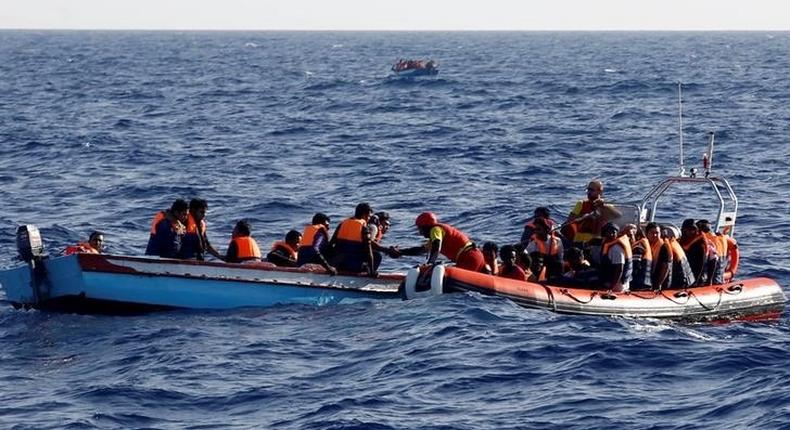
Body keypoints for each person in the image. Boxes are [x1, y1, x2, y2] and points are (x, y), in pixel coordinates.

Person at [399, 212, 486, 272]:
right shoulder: (436, 235)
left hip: (470, 258)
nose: (420, 232)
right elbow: (421, 250)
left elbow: (437, 246)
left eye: (420, 228)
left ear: (426, 227)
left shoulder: (435, 229)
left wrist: (430, 263)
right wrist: (401, 252)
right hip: (473, 257)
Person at [330, 203, 381, 276]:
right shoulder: (364, 228)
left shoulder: (342, 224)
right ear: (364, 215)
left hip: (337, 263)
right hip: (351, 265)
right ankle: (368, 274)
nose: (369, 219)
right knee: (377, 255)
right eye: (369, 216)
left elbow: (331, 244)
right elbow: (369, 251)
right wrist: (372, 271)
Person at [564, 180, 619, 248]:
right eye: (588, 190)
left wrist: (603, 206)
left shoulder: (607, 207)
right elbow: (570, 220)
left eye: (591, 190)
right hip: (580, 242)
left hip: (597, 244)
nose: (588, 192)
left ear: (600, 192)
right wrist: (585, 216)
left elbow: (618, 215)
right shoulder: (581, 204)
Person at [598, 222, 632, 292]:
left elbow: (619, 269)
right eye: (608, 232)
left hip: (617, 285)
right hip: (610, 280)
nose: (611, 234)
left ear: (617, 234)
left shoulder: (616, 248)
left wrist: (612, 288)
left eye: (614, 232)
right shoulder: (606, 245)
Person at [679, 218, 711, 286]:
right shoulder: (683, 240)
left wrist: (696, 281)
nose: (690, 232)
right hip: (686, 272)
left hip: (698, 277)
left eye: (693, 229)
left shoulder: (700, 244)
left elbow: (701, 264)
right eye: (687, 230)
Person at [663, 225, 696, 289]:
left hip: (681, 282)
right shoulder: (676, 244)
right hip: (689, 280)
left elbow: (666, 267)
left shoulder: (667, 247)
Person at [622, 223, 652, 291]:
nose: (628, 238)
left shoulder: (637, 249)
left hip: (638, 284)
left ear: (636, 236)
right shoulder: (624, 247)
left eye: (630, 235)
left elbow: (635, 268)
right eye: (626, 236)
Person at [696, 219, 726, 285]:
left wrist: (709, 281)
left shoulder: (706, 240)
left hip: (710, 281)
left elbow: (713, 259)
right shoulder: (721, 237)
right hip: (719, 278)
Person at [645, 222, 672, 290]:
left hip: (660, 282)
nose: (654, 235)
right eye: (652, 233)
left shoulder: (664, 247)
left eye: (657, 233)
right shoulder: (646, 244)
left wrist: (658, 284)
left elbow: (666, 267)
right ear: (646, 233)